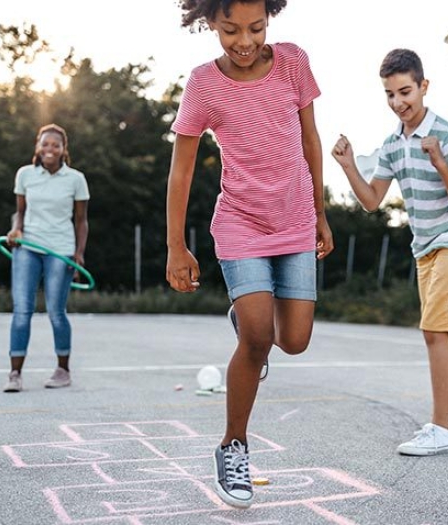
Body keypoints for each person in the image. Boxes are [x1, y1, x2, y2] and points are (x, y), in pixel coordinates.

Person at [166, 0, 333, 509]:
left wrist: (321, 211)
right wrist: (176, 245)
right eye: (230, 29)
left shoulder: (293, 62)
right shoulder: (203, 84)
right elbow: (182, 170)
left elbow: (310, 138)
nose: (244, 41)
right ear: (209, 22)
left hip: (296, 219)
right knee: (259, 338)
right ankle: (233, 446)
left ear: (270, 19)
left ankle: (250, 325)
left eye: (256, 28)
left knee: (296, 340)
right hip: (241, 223)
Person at [331, 48, 448, 456]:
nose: (399, 102)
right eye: (390, 94)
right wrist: (348, 166)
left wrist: (439, 161)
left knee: (434, 330)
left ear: (423, 87)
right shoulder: (391, 145)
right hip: (426, 248)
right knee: (444, 330)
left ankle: (443, 429)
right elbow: (371, 201)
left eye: (405, 92)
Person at [3, 123, 90, 393]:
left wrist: (78, 255)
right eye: (45, 144)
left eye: (55, 144)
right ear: (37, 147)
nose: (49, 149)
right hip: (27, 246)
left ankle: (63, 370)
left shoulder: (75, 179)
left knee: (56, 311)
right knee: (21, 311)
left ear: (64, 149)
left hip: (60, 250)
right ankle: (15, 374)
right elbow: (20, 212)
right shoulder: (25, 175)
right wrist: (16, 229)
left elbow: (81, 221)